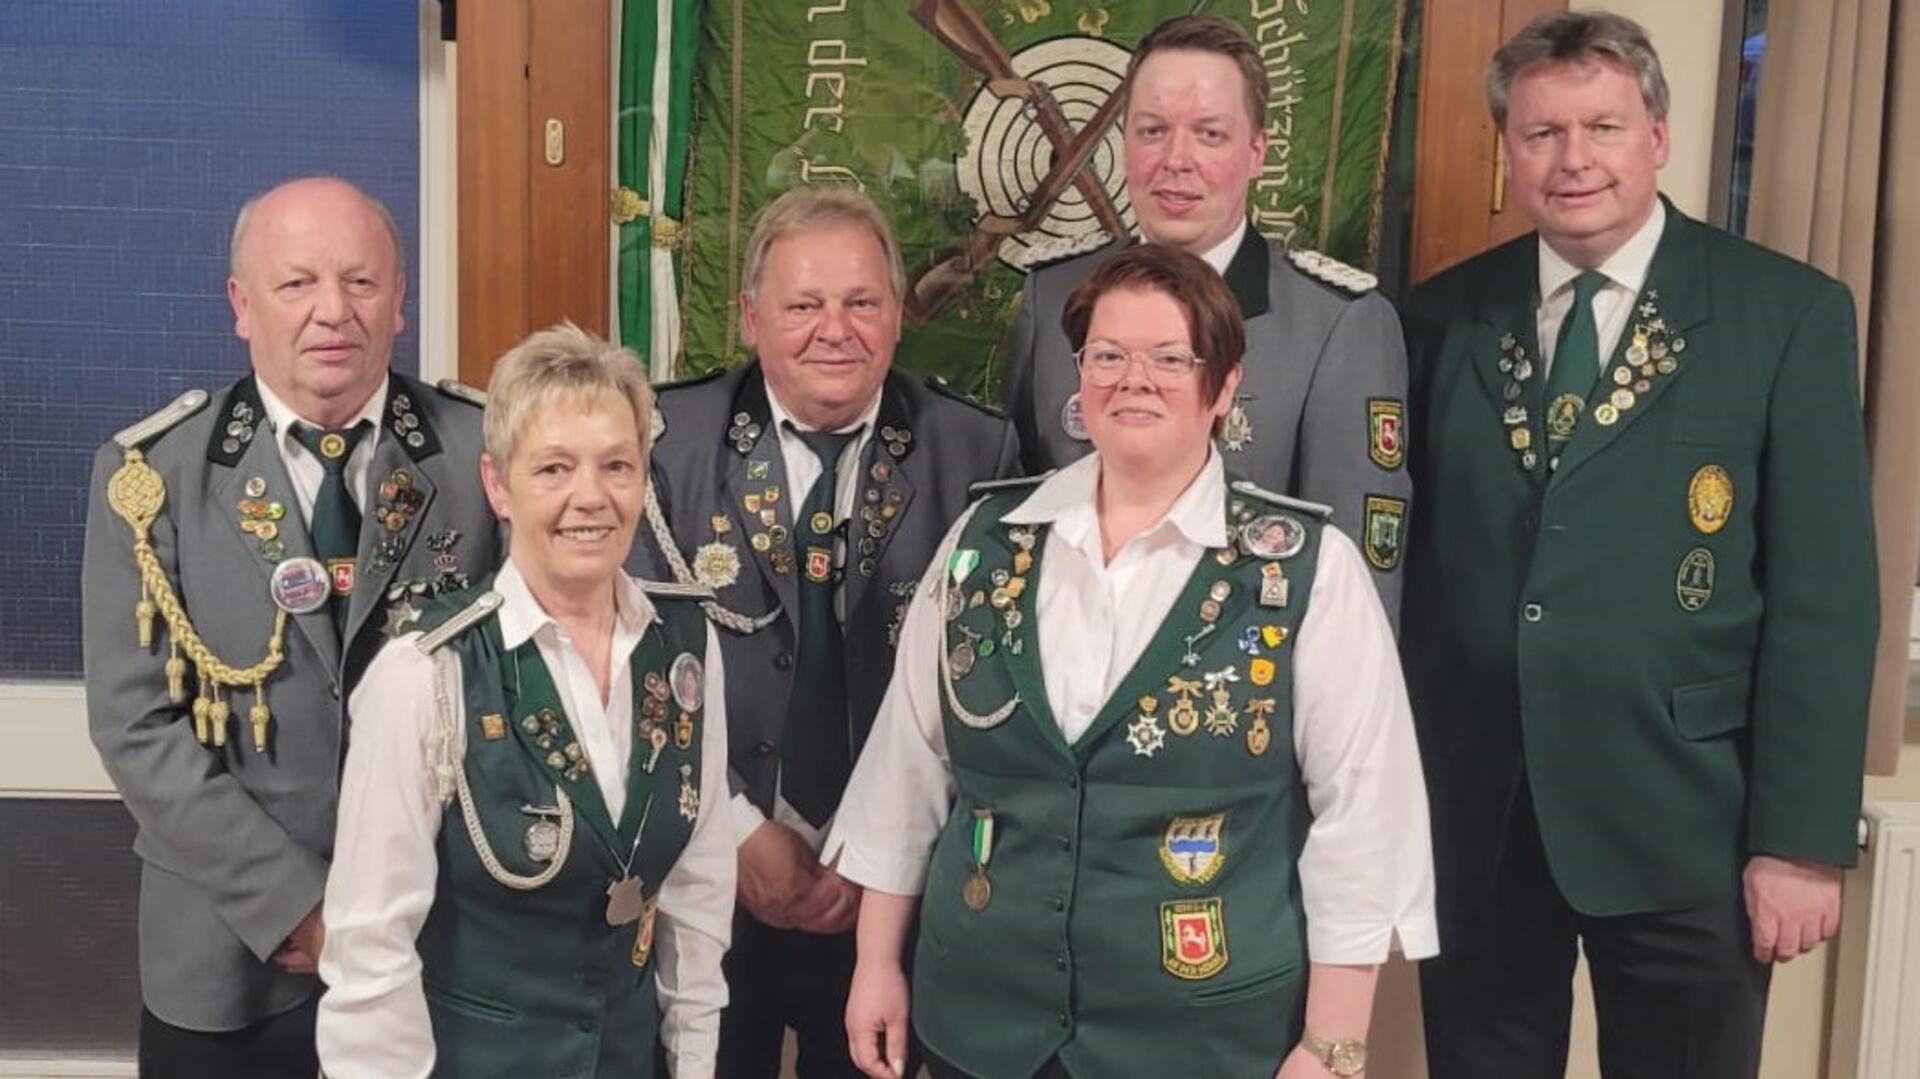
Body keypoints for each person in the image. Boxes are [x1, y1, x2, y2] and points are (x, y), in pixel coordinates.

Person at [1400, 12, 1878, 1078]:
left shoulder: (1783, 314)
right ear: (1507, 150)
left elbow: (1824, 596)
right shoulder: (1437, 321)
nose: (1573, 160)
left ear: (1657, 135)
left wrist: (1799, 839)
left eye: (1602, 127)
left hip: (1688, 824)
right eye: (1541, 133)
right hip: (1481, 816)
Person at [833, 244, 1434, 1079]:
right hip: (982, 1024)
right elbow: (908, 770)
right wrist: (875, 962)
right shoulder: (981, 547)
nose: (1132, 379)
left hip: (1201, 1041)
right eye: (1107, 356)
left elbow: (1364, 820)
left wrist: (1331, 1046)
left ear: (1223, 386)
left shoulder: (1308, 571)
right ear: (1079, 379)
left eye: (1168, 358)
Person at [81, 176, 499, 1077]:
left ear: (399, 301)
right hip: (230, 956)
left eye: (359, 281)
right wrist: (299, 905)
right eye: (296, 283)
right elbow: (136, 724)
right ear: (241, 305)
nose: (331, 312)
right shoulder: (153, 477)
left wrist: (379, 906)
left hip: (445, 940)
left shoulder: (483, 455)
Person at [631, 184, 1021, 1079]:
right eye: (803, 304)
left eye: (862, 303)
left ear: (897, 315)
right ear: (751, 315)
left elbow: (991, 691)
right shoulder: (665, 443)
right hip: (702, 882)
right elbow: (628, 664)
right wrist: (736, 831)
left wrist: (875, 854)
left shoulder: (977, 454)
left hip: (890, 899)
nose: (833, 329)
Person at [315, 323, 734, 1078]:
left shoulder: (685, 645)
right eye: (553, 468)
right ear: (497, 485)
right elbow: (369, 952)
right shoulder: (422, 672)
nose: (591, 497)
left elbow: (699, 895)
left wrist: (696, 1064)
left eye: (617, 465)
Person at [1000, 14, 1412, 618]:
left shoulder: (1338, 325)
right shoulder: (1053, 293)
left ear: (1256, 153)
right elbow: (1017, 521)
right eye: (1152, 130)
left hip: (1240, 692)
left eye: (1210, 135)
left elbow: (1356, 588)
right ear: (1123, 141)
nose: (1176, 159)